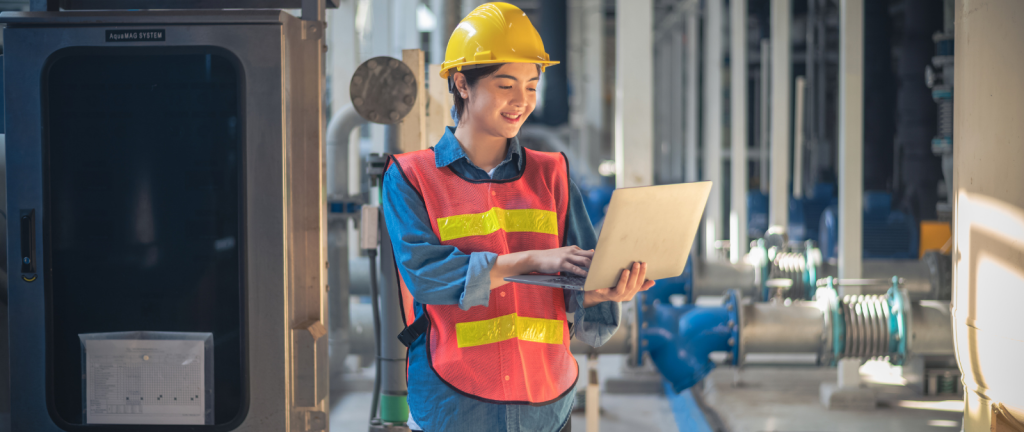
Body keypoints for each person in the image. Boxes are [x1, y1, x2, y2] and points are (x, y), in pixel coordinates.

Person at [382, 3, 654, 431]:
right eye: (506, 84)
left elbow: (577, 291)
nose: (522, 101)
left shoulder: (553, 173)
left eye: (531, 86)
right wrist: (531, 260)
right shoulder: (412, 177)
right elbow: (428, 278)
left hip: (546, 405)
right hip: (454, 405)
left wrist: (603, 293)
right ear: (462, 84)